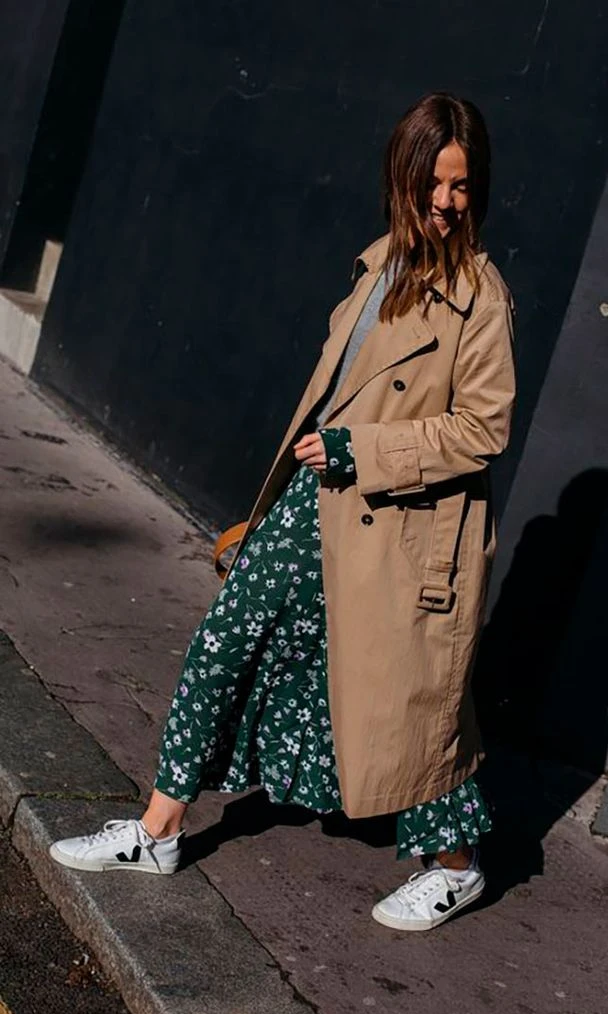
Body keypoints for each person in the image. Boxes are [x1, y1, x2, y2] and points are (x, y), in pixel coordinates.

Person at [49, 92, 516, 932]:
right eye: (436, 183)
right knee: (225, 639)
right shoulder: (379, 267)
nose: (449, 202)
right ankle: (158, 828)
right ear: (402, 176)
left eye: (464, 186)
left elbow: (484, 429)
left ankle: (455, 863)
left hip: (397, 524)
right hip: (318, 500)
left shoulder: (479, 298)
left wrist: (360, 452)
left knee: (410, 705)